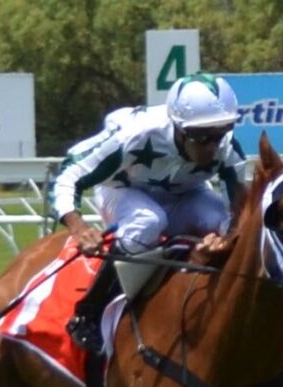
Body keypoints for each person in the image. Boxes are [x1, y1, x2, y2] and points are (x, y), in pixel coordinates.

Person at [54, 73, 248, 353]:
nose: (213, 145)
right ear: (179, 127)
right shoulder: (134, 135)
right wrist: (78, 226)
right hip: (122, 191)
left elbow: (241, 211)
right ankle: (89, 312)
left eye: (223, 130)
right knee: (149, 221)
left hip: (184, 194)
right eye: (202, 136)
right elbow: (70, 173)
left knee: (222, 222)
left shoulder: (227, 146)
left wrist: (228, 237)